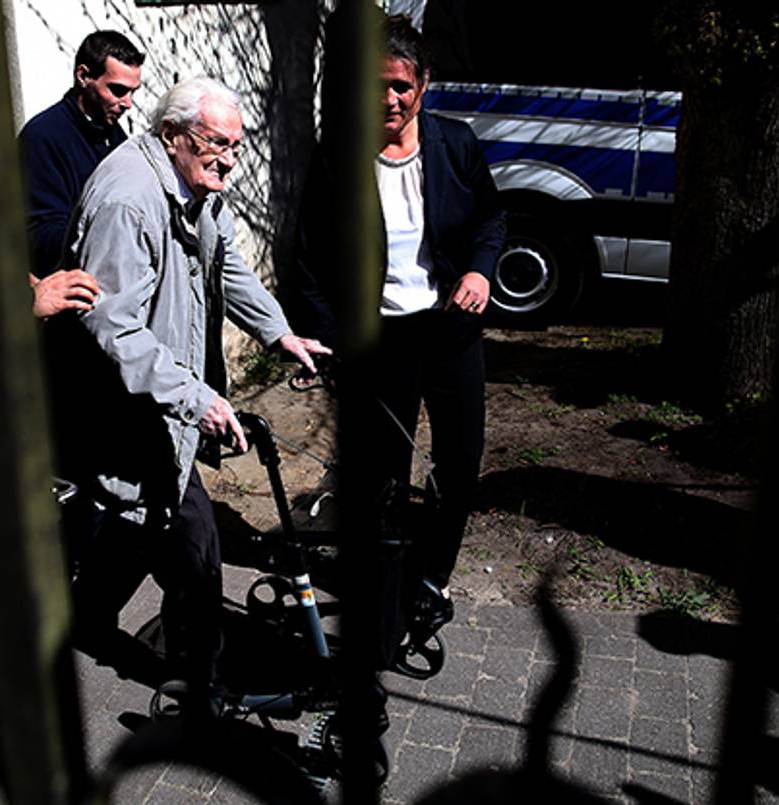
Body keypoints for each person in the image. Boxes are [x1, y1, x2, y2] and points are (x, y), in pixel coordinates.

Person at [58, 76, 331, 713]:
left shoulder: (196, 186)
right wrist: (196, 398)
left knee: (141, 520)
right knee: (194, 542)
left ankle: (85, 616)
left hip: (160, 402)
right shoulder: (128, 200)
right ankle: (197, 681)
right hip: (129, 401)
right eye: (217, 144)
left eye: (236, 146)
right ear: (175, 135)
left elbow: (226, 264)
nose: (230, 160)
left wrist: (278, 332)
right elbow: (110, 323)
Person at [288, 14, 505, 661]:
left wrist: (479, 269)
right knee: (383, 481)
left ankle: (430, 581)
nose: (390, 100)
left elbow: (491, 220)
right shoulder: (339, 156)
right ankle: (380, 606)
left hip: (451, 332)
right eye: (378, 86)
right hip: (380, 343)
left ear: (424, 84)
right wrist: (330, 343)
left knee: (459, 468)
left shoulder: (456, 146)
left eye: (402, 87)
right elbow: (308, 261)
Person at [17, 30, 144, 318]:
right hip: (72, 307)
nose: (128, 103)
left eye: (133, 91)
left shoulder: (115, 136)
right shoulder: (42, 138)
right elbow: (40, 235)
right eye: (118, 90)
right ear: (83, 76)